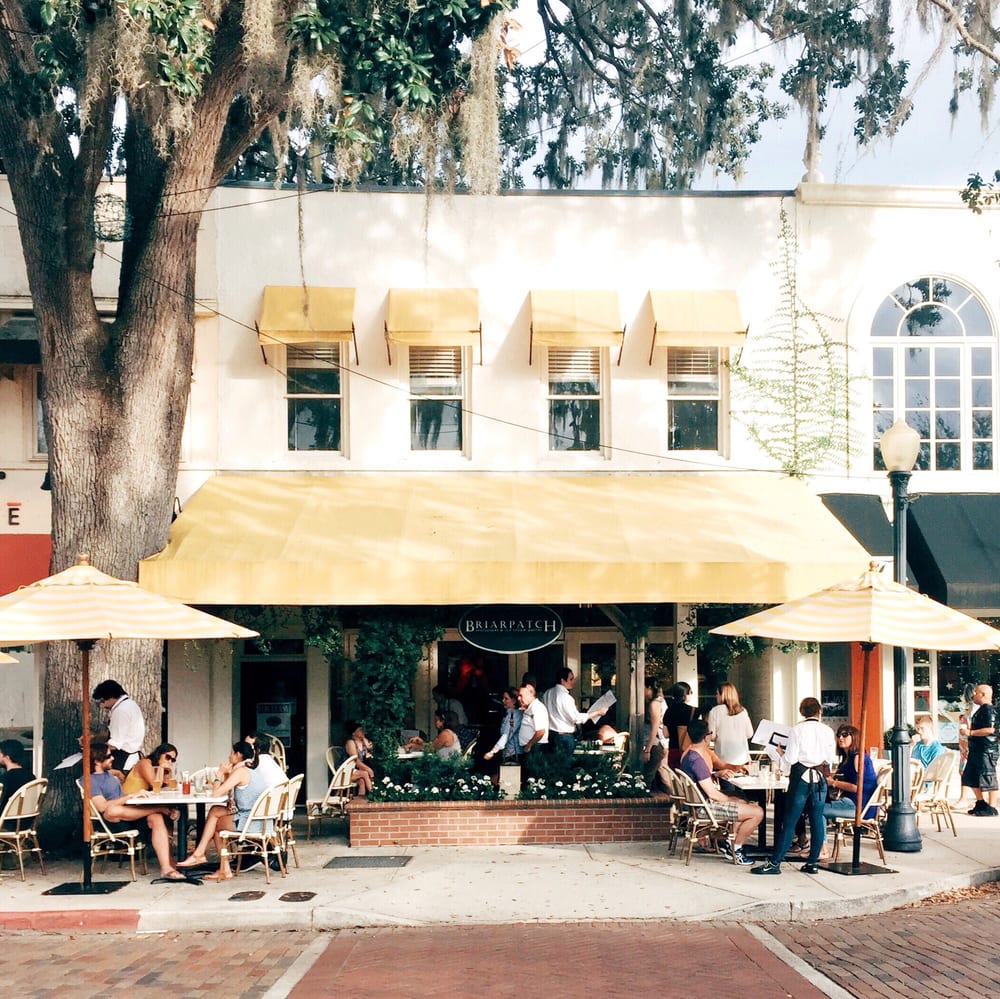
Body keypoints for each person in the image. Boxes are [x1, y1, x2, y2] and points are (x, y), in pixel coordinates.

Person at [751, 696, 836, 876]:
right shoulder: (827, 731)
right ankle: (812, 862)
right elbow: (830, 759)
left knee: (789, 821)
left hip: (801, 777)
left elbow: (791, 759)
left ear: (802, 712)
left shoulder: (798, 730)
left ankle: (775, 863)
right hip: (820, 777)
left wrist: (781, 754)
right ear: (819, 711)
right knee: (816, 820)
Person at [87, 742, 187, 881]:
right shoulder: (90, 780)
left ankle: (167, 869)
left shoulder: (109, 776)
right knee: (112, 810)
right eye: (109, 756)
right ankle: (159, 808)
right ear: (97, 760)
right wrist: (130, 796)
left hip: (129, 817)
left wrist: (119, 776)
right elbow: (102, 807)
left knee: (156, 817)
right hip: (111, 823)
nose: (113, 759)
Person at [177, 741, 269, 880]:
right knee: (215, 813)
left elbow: (216, 793)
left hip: (250, 822)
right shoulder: (252, 769)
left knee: (214, 822)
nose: (228, 756)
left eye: (231, 753)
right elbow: (229, 792)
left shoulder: (241, 771)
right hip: (261, 820)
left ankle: (205, 857)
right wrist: (227, 774)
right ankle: (209, 860)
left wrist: (218, 774)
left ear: (238, 755)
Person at [678, 719, 763, 865]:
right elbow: (713, 794)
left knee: (743, 801)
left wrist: (717, 776)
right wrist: (731, 800)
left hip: (698, 805)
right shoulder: (697, 760)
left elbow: (704, 782)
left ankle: (731, 844)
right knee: (757, 812)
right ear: (706, 737)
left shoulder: (688, 755)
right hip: (706, 808)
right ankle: (736, 849)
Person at [821, 724, 879, 857]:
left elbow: (856, 787)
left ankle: (822, 849)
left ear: (854, 737)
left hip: (859, 807)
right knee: (815, 805)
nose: (841, 737)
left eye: (845, 735)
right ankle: (815, 846)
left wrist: (834, 783)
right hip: (852, 802)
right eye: (839, 735)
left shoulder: (858, 757)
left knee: (817, 809)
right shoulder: (848, 758)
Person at [543, 668, 602, 756]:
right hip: (564, 736)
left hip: (551, 734)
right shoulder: (566, 697)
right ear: (562, 680)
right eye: (571, 679)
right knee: (565, 765)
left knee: (553, 764)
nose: (573, 681)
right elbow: (576, 718)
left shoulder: (547, 693)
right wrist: (597, 713)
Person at [960, 683, 998, 816]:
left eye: (976, 692)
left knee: (988, 776)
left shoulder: (989, 709)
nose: (973, 695)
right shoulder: (981, 709)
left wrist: (970, 732)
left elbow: (990, 729)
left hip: (986, 750)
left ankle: (992, 807)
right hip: (977, 749)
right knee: (969, 776)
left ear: (983, 695)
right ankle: (981, 802)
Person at [92, 679, 145, 772]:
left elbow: (115, 744)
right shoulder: (129, 704)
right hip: (130, 757)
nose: (103, 706)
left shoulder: (121, 711)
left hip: (123, 760)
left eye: (102, 701)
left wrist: (93, 751)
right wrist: (93, 737)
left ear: (111, 697)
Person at [706, 682, 754, 766]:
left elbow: (711, 736)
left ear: (723, 695)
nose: (716, 696)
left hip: (723, 759)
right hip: (742, 758)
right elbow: (750, 734)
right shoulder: (743, 711)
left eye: (717, 694)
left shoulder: (715, 711)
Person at [483, 688, 523, 766]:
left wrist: (492, 751)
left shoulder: (515, 715)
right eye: (503, 698)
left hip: (514, 753)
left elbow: (506, 735)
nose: (503, 700)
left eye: (506, 699)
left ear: (514, 701)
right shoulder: (508, 714)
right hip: (507, 752)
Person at [0, 740, 36, 823]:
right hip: (26, 822)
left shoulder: (5, 779)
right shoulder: (31, 777)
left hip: (6, 823)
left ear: (7, 757)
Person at [517, 681, 549, 774]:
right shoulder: (530, 708)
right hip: (531, 748)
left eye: (521, 695)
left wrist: (529, 744)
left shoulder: (537, 708)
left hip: (536, 748)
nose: (519, 698)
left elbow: (540, 731)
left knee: (534, 776)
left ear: (530, 694)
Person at [641, 680, 669, 786]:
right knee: (663, 773)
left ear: (649, 687)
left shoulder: (654, 704)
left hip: (657, 743)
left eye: (643, 687)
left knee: (648, 775)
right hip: (663, 742)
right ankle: (674, 797)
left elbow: (655, 727)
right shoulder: (661, 701)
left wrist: (647, 750)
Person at [665, 682, 696, 769]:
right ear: (685, 695)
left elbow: (665, 734)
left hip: (673, 749)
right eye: (690, 692)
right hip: (689, 751)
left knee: (675, 778)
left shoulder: (669, 711)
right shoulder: (693, 711)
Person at [345, 722, 376, 795]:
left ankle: (360, 800)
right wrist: (368, 769)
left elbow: (371, 750)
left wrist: (367, 745)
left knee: (362, 781)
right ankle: (374, 794)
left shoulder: (363, 742)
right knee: (365, 773)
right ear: (353, 733)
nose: (363, 731)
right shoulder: (351, 743)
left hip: (356, 770)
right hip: (346, 771)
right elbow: (356, 760)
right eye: (360, 730)